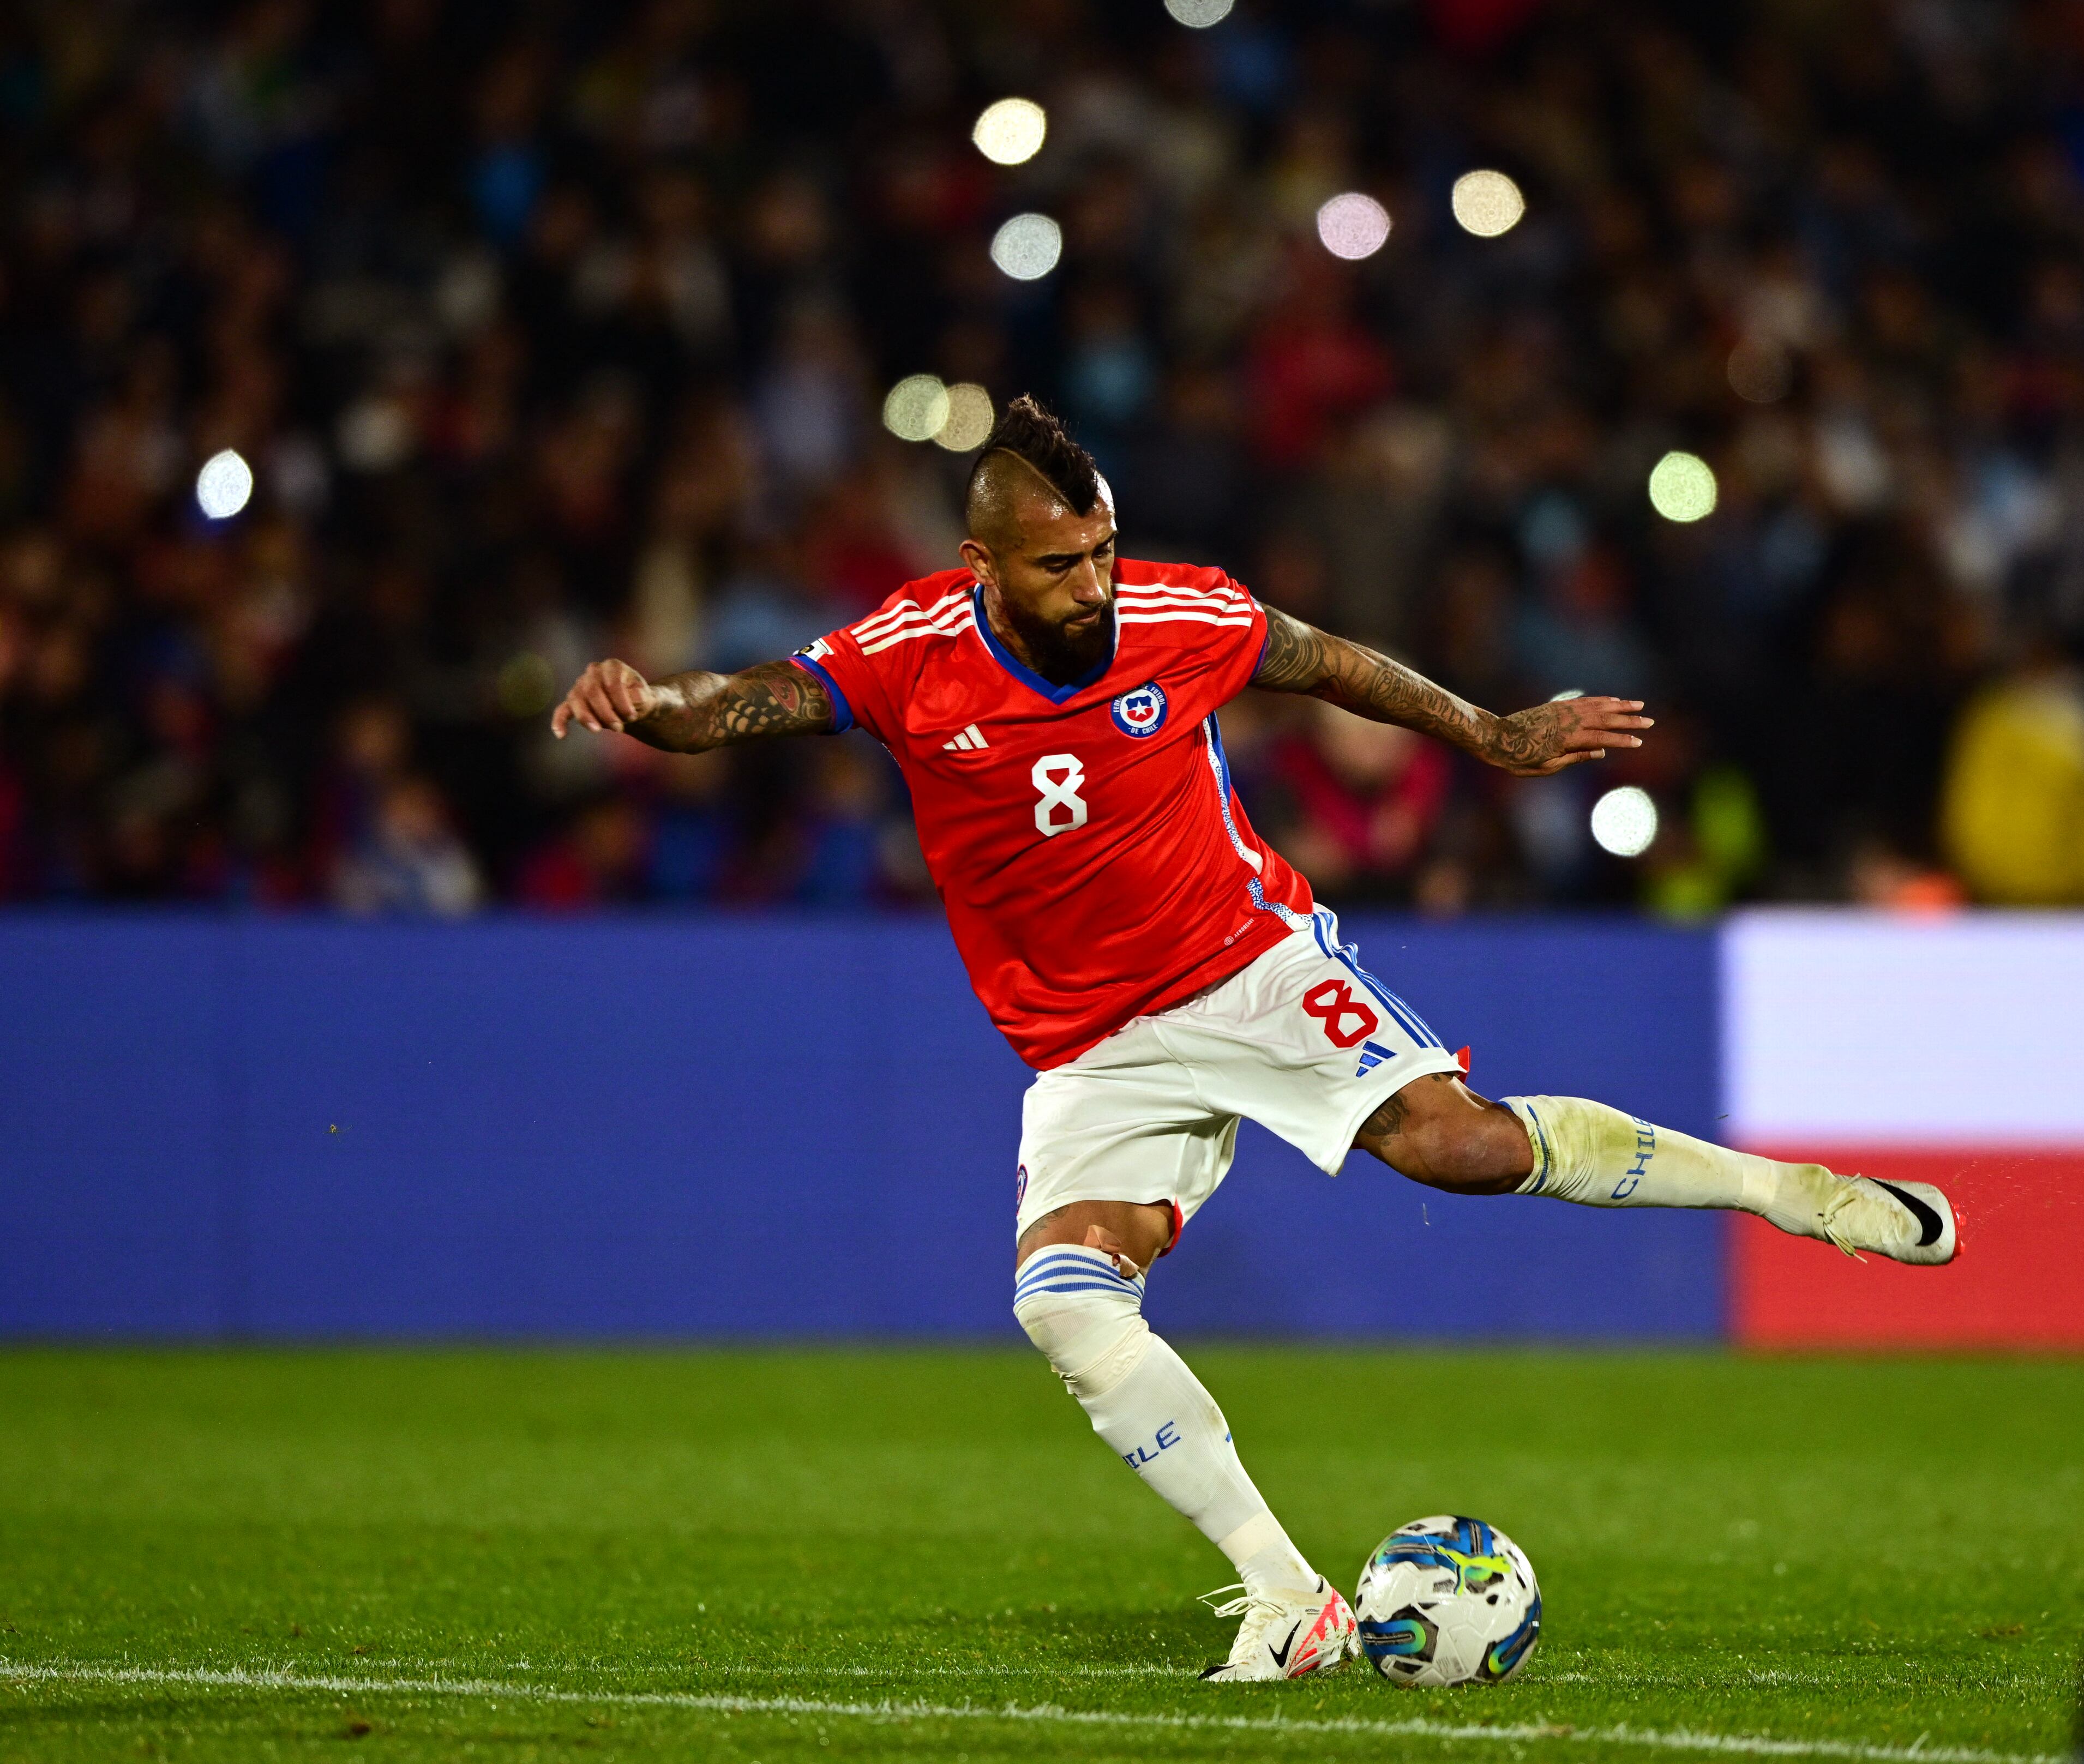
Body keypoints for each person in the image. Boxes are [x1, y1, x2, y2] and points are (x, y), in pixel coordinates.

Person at [551, 395, 1959, 1682]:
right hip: (1091, 1044)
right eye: (1058, 565)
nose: (1092, 585)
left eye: (1103, 550)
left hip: (1244, 965)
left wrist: (1488, 733)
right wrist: (646, 704)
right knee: (1064, 1307)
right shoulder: (906, 657)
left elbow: (1328, 662)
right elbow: (737, 707)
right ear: (984, 566)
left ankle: (1797, 1195)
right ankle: (1290, 1598)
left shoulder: (1181, 614)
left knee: (1458, 1147)